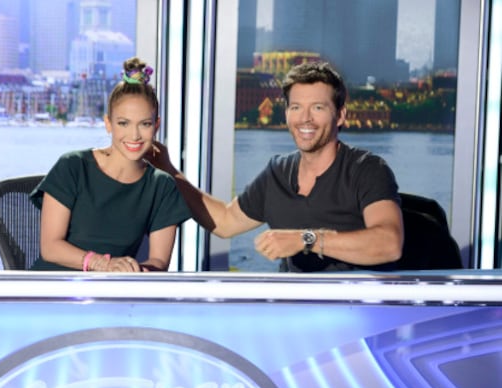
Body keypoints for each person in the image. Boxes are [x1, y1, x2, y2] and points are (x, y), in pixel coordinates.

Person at [146, 61, 403, 272]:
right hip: (292, 313)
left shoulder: (367, 169)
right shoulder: (278, 172)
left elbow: (389, 243)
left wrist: (306, 239)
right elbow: (224, 222)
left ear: (341, 115)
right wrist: (169, 170)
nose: (305, 118)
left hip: (356, 316)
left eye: (318, 107)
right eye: (296, 107)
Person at [29, 57, 191, 272]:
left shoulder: (162, 186)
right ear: (108, 124)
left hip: (114, 293)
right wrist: (104, 264)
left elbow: (159, 262)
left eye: (145, 124)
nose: (134, 135)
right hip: (54, 290)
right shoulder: (73, 166)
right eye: (123, 123)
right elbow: (50, 248)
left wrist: (136, 270)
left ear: (157, 125)